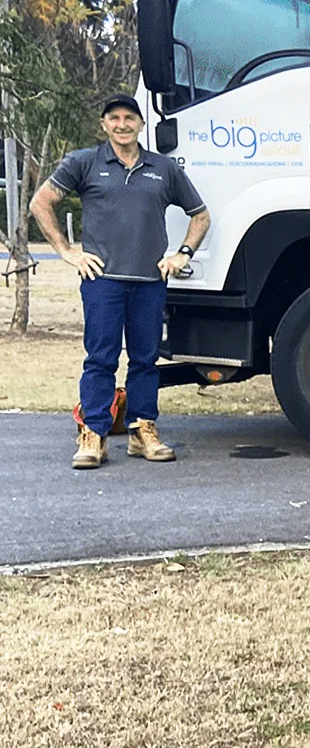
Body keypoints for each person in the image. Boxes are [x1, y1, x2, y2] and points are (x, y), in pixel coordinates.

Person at [29, 94, 210, 469]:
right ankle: (93, 434)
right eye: (114, 118)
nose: (122, 124)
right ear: (104, 124)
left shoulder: (163, 168)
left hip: (149, 282)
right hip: (103, 282)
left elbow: (200, 216)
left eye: (130, 117)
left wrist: (182, 255)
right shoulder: (84, 162)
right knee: (101, 359)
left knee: (145, 360)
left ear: (141, 125)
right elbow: (40, 202)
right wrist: (67, 252)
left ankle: (142, 430)